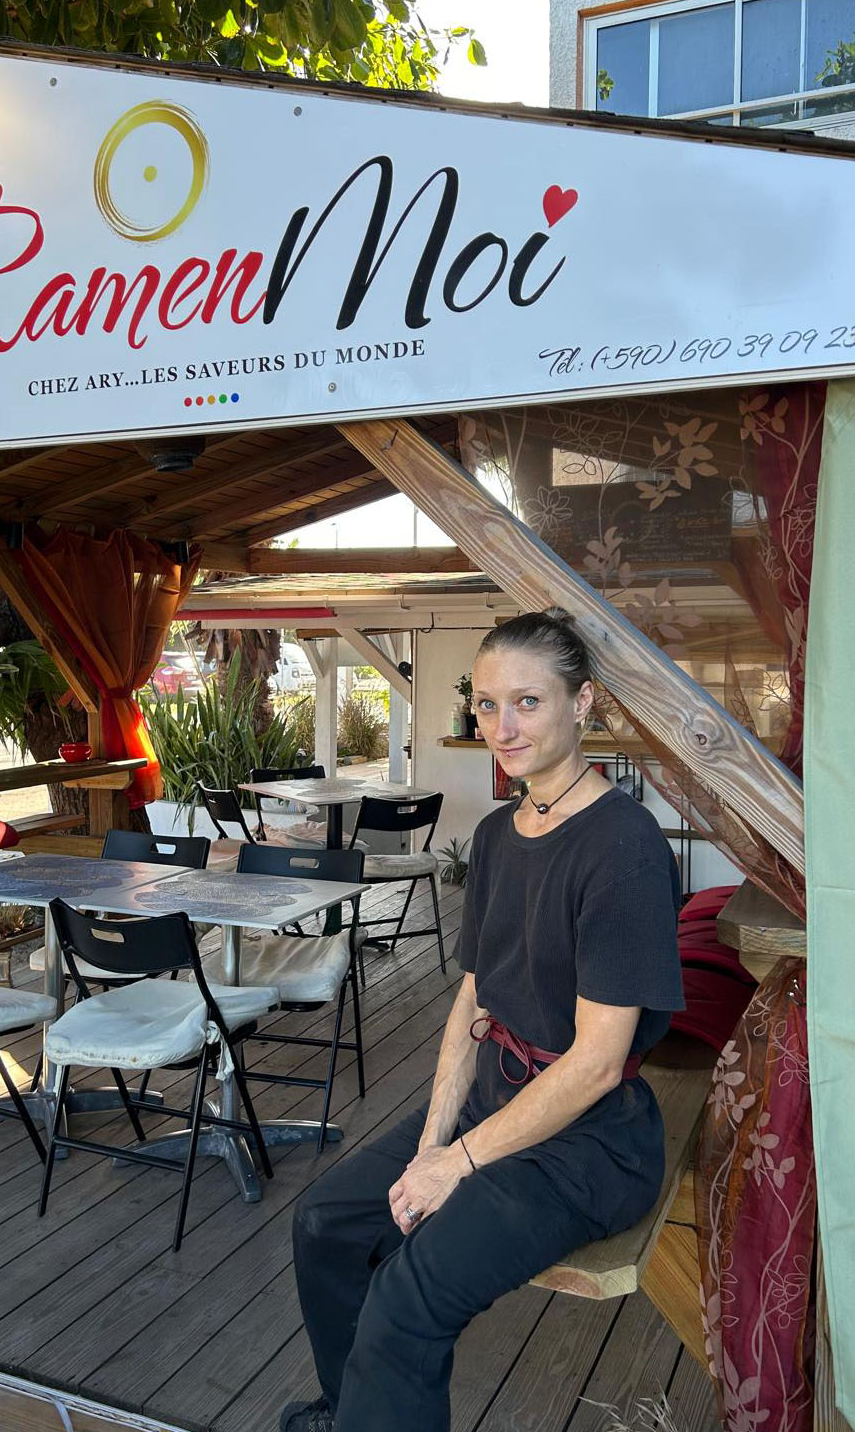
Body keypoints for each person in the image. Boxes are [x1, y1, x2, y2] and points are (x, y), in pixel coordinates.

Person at [279, 608, 685, 1432]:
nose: (503, 727)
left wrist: (455, 1164)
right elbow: (473, 1000)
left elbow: (597, 1064)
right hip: (491, 1101)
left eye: (528, 702)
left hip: (586, 1142)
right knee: (326, 1224)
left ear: (583, 703)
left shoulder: (624, 847)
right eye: (489, 704)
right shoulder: (499, 834)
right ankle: (350, 1414)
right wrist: (433, 1142)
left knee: (408, 1299)